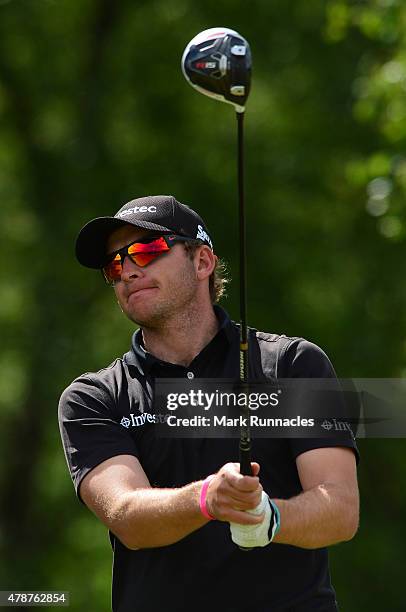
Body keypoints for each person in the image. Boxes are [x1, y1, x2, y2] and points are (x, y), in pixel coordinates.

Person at [59, 194, 359, 612]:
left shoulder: (293, 363)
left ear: (202, 262)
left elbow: (340, 509)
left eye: (146, 250)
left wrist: (268, 518)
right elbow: (127, 515)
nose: (127, 270)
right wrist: (207, 499)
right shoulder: (94, 397)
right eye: (114, 265)